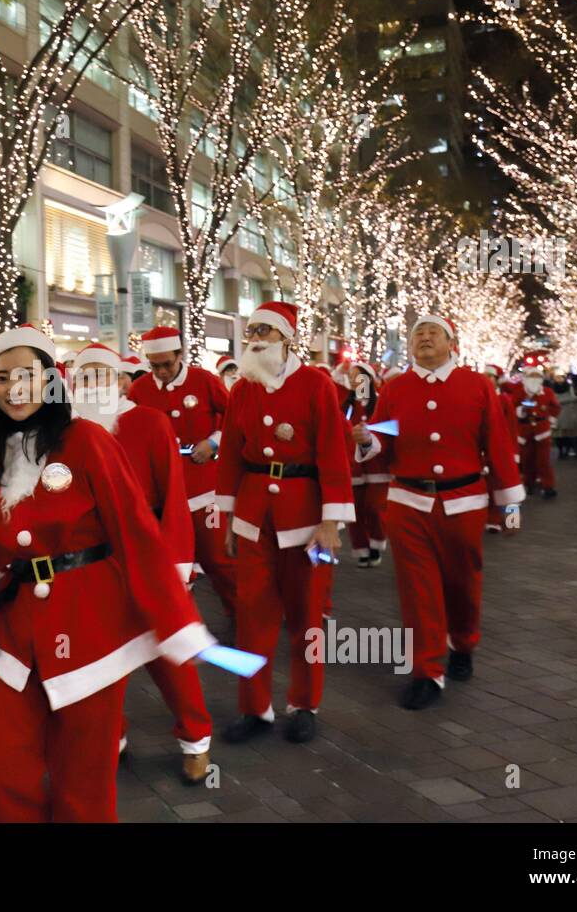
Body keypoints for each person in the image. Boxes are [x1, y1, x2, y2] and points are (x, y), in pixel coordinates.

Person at [0, 325, 214, 821]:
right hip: (21, 631)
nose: (14, 385)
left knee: (83, 790)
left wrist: (174, 616)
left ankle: (195, 738)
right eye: (2, 377)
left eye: (27, 373)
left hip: (90, 626)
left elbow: (136, 531)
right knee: (1, 779)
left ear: (50, 380)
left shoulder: (87, 439)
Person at [352, 315, 523, 710]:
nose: (424, 338)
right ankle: (426, 670)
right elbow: (383, 436)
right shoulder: (394, 389)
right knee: (417, 590)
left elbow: (497, 447)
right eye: (418, 334)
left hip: (464, 502)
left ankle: (463, 641)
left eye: (433, 333)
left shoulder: (477, 386)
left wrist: (510, 505)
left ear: (452, 343)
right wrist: (368, 440)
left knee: (463, 582)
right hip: (408, 502)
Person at [70, 343, 212, 783]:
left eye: (102, 374)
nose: (94, 383)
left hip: (147, 554)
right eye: (85, 374)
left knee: (168, 652)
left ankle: (196, 738)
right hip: (91, 563)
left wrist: (177, 564)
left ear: (121, 381)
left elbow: (173, 493)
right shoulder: (67, 431)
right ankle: (111, 736)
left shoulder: (148, 422)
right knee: (100, 657)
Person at [215, 302, 355, 744]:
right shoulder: (242, 389)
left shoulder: (315, 384)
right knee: (252, 615)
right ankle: (254, 708)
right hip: (254, 516)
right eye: (251, 329)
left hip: (307, 518)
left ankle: (304, 704)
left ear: (286, 338)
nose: (255, 336)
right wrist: (229, 515)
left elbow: (334, 452)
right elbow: (231, 456)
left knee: (307, 614)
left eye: (265, 330)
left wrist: (332, 520)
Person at [129, 325, 237, 618]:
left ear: (180, 355)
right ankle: (176, 622)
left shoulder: (204, 381)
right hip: (162, 495)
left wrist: (214, 442)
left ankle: (243, 613)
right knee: (170, 564)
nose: (162, 372)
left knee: (218, 559)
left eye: (167, 364)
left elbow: (235, 417)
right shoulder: (139, 390)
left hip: (204, 488)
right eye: (155, 366)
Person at [344, 361, 390, 565]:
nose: (354, 381)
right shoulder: (347, 404)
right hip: (353, 465)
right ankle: (361, 548)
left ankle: (376, 543)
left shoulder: (380, 402)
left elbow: (390, 428)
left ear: (368, 380)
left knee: (373, 507)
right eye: (351, 377)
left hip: (377, 465)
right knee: (355, 510)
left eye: (358, 376)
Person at [482, 364, 520, 534]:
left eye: (491, 377)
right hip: (485, 449)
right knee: (489, 486)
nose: (487, 380)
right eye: (485, 376)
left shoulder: (504, 399)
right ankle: (492, 520)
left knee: (509, 486)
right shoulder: (479, 398)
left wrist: (514, 451)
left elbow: (511, 426)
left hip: (504, 448)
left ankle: (512, 522)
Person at [516, 366, 561, 498]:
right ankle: (529, 483)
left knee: (544, 461)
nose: (534, 379)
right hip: (525, 431)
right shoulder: (519, 392)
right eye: (532, 377)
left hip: (542, 430)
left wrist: (551, 421)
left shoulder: (547, 392)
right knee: (527, 460)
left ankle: (548, 486)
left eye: (537, 377)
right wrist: (522, 409)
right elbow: (513, 408)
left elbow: (555, 407)